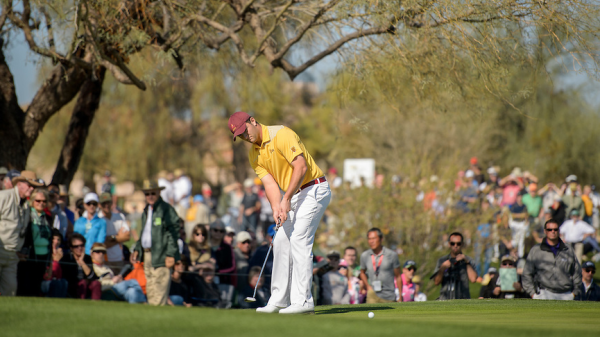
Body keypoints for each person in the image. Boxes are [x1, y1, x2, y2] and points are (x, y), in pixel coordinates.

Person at [229, 111, 332, 314]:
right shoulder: (254, 154)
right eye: (239, 135)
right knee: (281, 241)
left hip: (314, 188)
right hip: (294, 194)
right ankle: (278, 300)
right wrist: (276, 207)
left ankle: (303, 302)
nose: (244, 136)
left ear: (253, 121)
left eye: (244, 131)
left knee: (299, 239)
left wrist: (286, 199)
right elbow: (269, 183)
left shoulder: (281, 134)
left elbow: (300, 167)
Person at [131, 180, 181, 306]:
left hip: (162, 255)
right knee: (151, 289)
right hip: (147, 255)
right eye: (147, 194)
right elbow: (144, 232)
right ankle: (152, 319)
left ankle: (158, 320)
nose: (150, 196)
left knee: (159, 292)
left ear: (159, 193)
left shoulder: (166, 209)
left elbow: (173, 233)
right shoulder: (147, 209)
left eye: (153, 193)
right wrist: (138, 248)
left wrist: (170, 254)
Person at [0, 170, 42, 296]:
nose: (31, 188)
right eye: (29, 185)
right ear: (19, 184)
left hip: (13, 256)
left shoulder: (26, 206)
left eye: (33, 186)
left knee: (11, 291)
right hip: (0, 249)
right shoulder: (3, 197)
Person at [522, 219, 582, 300]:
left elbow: (577, 272)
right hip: (544, 293)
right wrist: (533, 294)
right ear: (545, 231)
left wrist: (574, 293)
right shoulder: (536, 250)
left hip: (566, 294)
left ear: (559, 231)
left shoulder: (568, 250)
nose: (553, 231)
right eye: (549, 230)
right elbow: (527, 273)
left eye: (555, 229)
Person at [17, 188, 54, 296]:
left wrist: (50, 264)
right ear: (32, 201)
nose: (41, 203)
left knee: (36, 288)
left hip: (43, 256)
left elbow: (50, 240)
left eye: (44, 201)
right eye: (38, 201)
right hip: (28, 256)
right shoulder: (26, 216)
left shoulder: (48, 218)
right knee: (25, 286)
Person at [359, 228, 401, 303]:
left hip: (388, 295)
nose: (371, 241)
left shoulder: (391, 255)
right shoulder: (365, 255)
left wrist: (400, 296)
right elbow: (362, 272)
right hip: (372, 294)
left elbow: (398, 276)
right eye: (369, 239)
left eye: (374, 238)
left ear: (381, 239)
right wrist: (368, 287)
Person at [431, 232, 478, 300]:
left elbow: (473, 279)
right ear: (449, 244)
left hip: (463, 299)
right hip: (445, 299)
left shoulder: (468, 260)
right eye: (453, 243)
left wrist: (466, 262)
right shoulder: (442, 260)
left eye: (458, 243)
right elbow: (436, 282)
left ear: (462, 244)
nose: (455, 246)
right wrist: (442, 268)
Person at [60, 233, 101, 299]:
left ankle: (96, 305)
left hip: (86, 285)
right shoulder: (66, 258)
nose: (80, 248)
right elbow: (68, 277)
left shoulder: (87, 258)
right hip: (72, 286)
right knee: (83, 283)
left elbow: (93, 277)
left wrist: (82, 262)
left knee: (96, 283)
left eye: (82, 245)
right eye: (76, 246)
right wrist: (84, 280)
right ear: (71, 248)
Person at [98, 193, 130, 274]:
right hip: (104, 260)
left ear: (111, 203)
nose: (106, 205)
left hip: (119, 259)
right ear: (100, 205)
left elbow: (127, 236)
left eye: (108, 202)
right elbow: (102, 243)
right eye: (103, 203)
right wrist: (118, 238)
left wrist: (110, 238)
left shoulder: (119, 216)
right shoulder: (99, 219)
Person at [40, 229, 68, 298]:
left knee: (63, 282)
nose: (56, 241)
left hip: (54, 281)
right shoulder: (45, 252)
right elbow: (47, 276)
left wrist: (57, 261)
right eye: (53, 239)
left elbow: (59, 276)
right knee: (56, 284)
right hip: (44, 281)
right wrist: (55, 262)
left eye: (58, 240)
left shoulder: (60, 255)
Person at [208, 220, 236, 286]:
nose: (218, 233)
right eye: (215, 230)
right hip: (204, 280)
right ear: (210, 230)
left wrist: (216, 272)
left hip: (222, 282)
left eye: (221, 231)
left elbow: (232, 267)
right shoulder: (205, 245)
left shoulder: (227, 247)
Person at [248, 224, 276, 289]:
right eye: (273, 237)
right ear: (267, 237)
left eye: (277, 236)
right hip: (263, 287)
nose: (275, 239)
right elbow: (253, 269)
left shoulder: (287, 251)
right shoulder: (261, 251)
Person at [508, 192, 529, 258]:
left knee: (521, 240)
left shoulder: (524, 206)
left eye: (520, 197)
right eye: (518, 197)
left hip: (521, 224)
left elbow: (525, 215)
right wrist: (520, 215)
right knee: (515, 240)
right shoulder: (513, 206)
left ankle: (520, 256)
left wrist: (519, 216)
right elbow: (512, 215)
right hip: (514, 224)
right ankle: (514, 254)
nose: (519, 198)